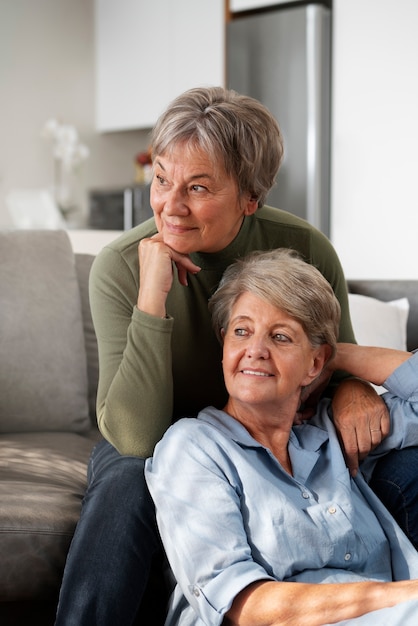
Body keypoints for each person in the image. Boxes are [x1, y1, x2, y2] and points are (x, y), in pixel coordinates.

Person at [54, 86, 412, 625]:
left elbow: (331, 355)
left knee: (403, 460)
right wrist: (152, 296)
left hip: (284, 423)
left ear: (250, 197)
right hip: (166, 428)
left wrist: (353, 390)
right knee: (128, 480)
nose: (170, 207)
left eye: (197, 188)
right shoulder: (122, 265)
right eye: (161, 180)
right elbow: (134, 435)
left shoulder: (306, 248)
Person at [145, 248, 418, 626]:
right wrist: (401, 595)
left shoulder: (334, 433)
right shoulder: (193, 447)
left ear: (315, 363)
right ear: (224, 348)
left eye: (280, 337)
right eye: (241, 331)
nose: (255, 350)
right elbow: (244, 605)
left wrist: (342, 357)